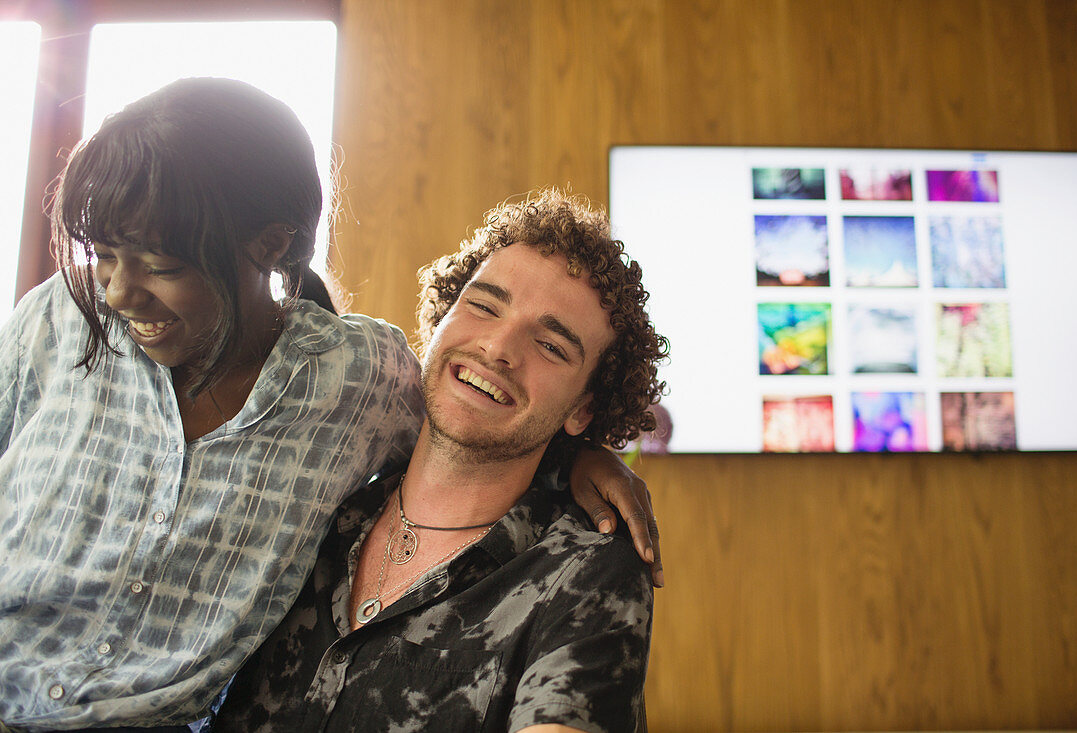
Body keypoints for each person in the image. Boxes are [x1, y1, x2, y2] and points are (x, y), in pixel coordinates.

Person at [0, 79, 658, 731]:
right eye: (483, 306)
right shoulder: (60, 319)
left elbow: (486, 417)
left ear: (268, 244)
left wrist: (582, 451)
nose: (117, 291)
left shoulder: (357, 380)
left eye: (162, 265)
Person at [214, 187, 668, 732]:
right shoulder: (319, 509)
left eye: (551, 346)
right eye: (482, 306)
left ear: (584, 408)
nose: (498, 347)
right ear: (441, 318)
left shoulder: (582, 571)